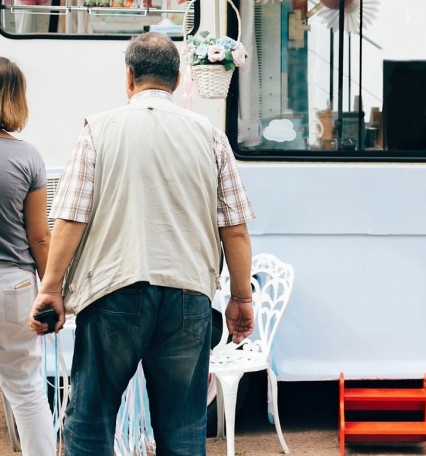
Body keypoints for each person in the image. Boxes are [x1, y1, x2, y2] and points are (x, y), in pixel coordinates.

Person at [29, 32, 256, 456]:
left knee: (91, 420)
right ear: (178, 78)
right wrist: (241, 298)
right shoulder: (210, 135)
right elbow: (236, 229)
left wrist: (51, 288)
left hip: (114, 292)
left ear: (129, 77)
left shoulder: (98, 130)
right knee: (183, 428)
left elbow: (70, 217)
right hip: (189, 298)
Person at [0, 57, 55, 456]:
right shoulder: (28, 158)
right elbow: (39, 237)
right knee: (25, 387)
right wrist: (53, 291)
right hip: (13, 285)